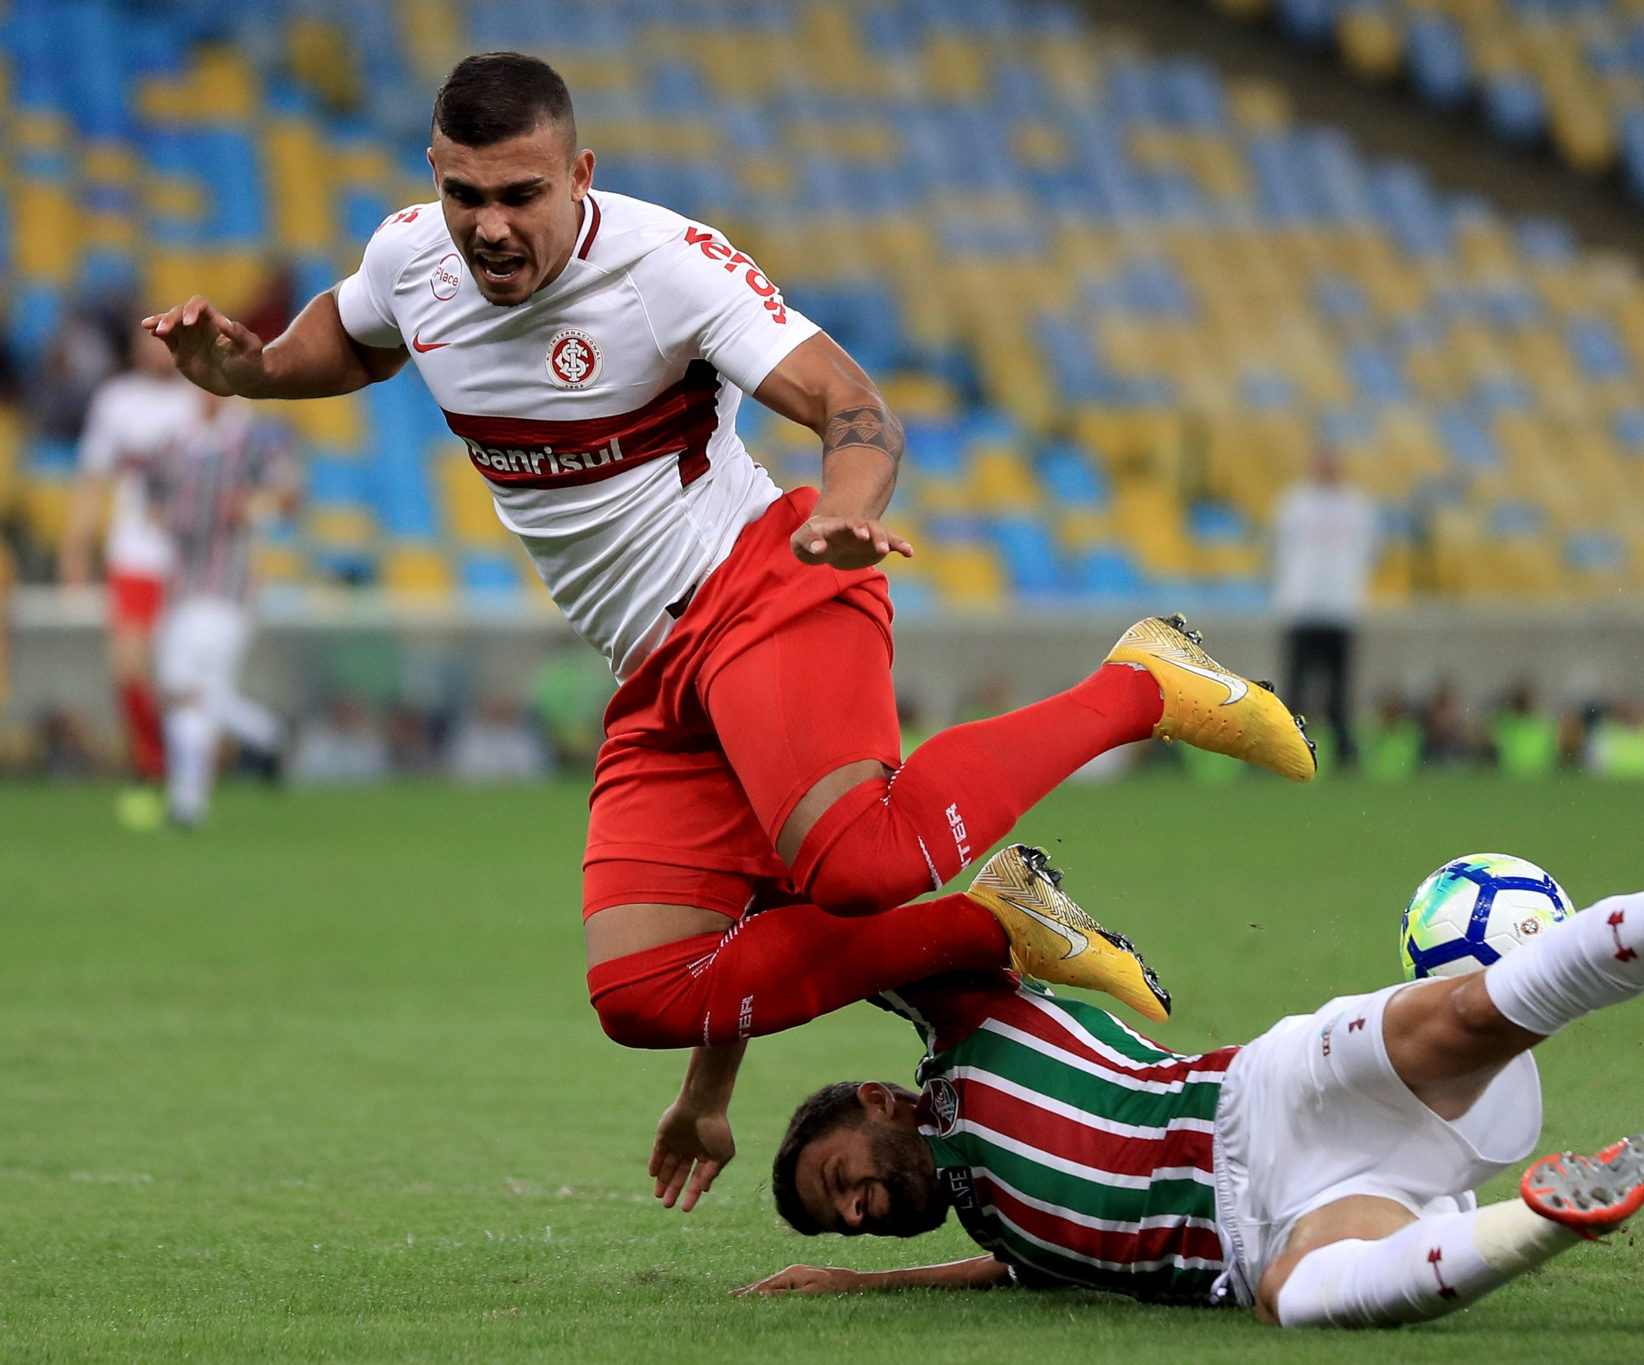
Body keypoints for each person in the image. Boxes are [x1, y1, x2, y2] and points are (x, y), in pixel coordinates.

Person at [140, 51, 1315, 1206]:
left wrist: (848, 519)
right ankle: (990, 921)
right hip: (655, 670)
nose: (490, 227)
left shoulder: (666, 266)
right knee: (644, 992)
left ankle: (1143, 686)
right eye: (466, 195)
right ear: (434, 177)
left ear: (580, 174)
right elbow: (340, 343)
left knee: (850, 864)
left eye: (521, 196)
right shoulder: (409, 258)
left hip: (761, 580)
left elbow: (852, 405)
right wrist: (243, 372)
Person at [748, 819, 1644, 1328]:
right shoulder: (998, 1230)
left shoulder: (966, 1022)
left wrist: (703, 1087)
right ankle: (1550, 1216)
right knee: (1310, 1300)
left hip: (1252, 1099)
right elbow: (1013, 1279)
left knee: (1469, 1014)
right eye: (846, 1220)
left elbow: (815, 942)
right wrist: (864, 1287)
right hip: (1257, 1239)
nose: (859, 1209)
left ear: (878, 1101)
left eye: (842, 1177)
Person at [59, 330, 198, 827]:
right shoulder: (117, 401)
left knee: (185, 677)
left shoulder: (201, 398)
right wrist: (76, 547)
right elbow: (93, 477)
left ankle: (186, 777)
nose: (156, 346)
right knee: (129, 670)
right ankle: (151, 761)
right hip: (135, 557)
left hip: (191, 560)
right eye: (150, 336)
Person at [143, 392, 293, 826]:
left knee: (188, 692)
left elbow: (287, 494)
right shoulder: (175, 443)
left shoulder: (249, 440)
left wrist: (252, 507)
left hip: (226, 590)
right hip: (182, 590)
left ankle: (187, 803)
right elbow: (149, 497)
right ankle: (266, 734)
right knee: (197, 694)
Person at [1270, 447, 1377, 770]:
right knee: (1295, 688)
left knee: (1339, 691)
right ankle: (1285, 752)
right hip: (1302, 607)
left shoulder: (1358, 506)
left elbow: (1371, 549)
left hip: (1340, 609)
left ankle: (1343, 755)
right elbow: (1278, 547)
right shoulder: (1294, 504)